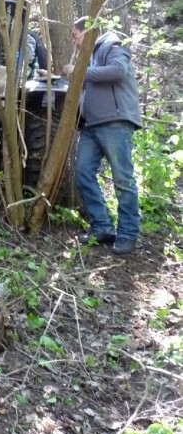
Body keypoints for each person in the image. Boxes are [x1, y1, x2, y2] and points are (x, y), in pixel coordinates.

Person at [61, 17, 142, 255]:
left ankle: (128, 233)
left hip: (114, 122)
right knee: (84, 172)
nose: (75, 42)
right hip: (92, 125)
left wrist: (79, 71)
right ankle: (103, 227)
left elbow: (118, 71)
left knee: (123, 179)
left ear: (89, 33)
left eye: (76, 36)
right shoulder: (93, 57)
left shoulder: (112, 44)